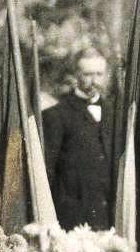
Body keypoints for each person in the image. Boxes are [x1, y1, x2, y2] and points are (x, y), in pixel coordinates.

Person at [40, 47, 113, 230]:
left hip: (110, 214)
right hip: (74, 218)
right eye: (87, 74)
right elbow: (48, 170)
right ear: (76, 76)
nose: (94, 80)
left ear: (106, 76)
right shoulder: (56, 115)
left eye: (99, 74)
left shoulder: (116, 113)